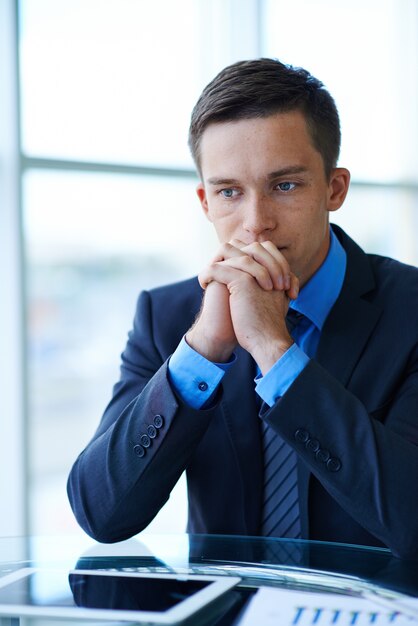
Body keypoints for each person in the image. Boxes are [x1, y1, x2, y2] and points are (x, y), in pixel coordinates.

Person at [67, 58, 418, 559]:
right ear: (205, 201)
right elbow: (101, 514)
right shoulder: (167, 317)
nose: (255, 223)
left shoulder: (409, 309)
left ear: (334, 188)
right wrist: (203, 349)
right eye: (229, 192)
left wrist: (275, 351)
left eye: (285, 185)